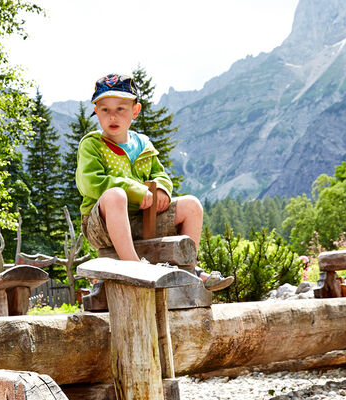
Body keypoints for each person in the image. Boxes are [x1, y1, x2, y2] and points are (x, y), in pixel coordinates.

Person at [75, 73, 232, 291]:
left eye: (120, 108)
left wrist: (162, 191)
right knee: (115, 195)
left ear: (135, 111)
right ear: (96, 112)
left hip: (141, 219)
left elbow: (161, 175)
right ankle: (134, 267)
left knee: (192, 205)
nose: (113, 116)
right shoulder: (92, 144)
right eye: (105, 110)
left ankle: (189, 269)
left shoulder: (143, 144)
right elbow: (89, 183)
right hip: (101, 225)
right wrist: (135, 191)